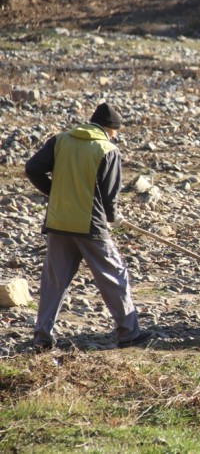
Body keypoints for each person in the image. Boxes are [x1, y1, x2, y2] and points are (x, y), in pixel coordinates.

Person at [25, 102, 152, 351]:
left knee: (54, 281)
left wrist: (56, 194)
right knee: (114, 275)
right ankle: (128, 334)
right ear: (111, 129)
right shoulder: (107, 149)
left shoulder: (61, 140)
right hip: (89, 225)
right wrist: (114, 217)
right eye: (116, 132)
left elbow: (32, 169)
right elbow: (109, 195)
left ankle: (42, 338)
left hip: (58, 222)